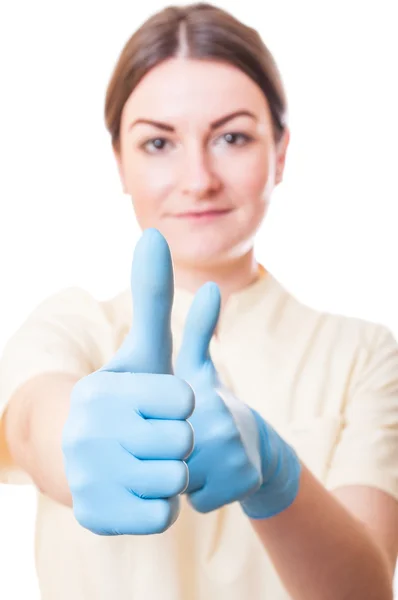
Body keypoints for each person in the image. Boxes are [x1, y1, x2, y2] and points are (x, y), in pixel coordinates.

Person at [0, 3, 397, 599]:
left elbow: (364, 590)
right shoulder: (73, 323)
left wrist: (278, 478)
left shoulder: (364, 354)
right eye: (158, 143)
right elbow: (29, 422)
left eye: (231, 137)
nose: (198, 178)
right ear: (120, 162)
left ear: (281, 152)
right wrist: (79, 433)